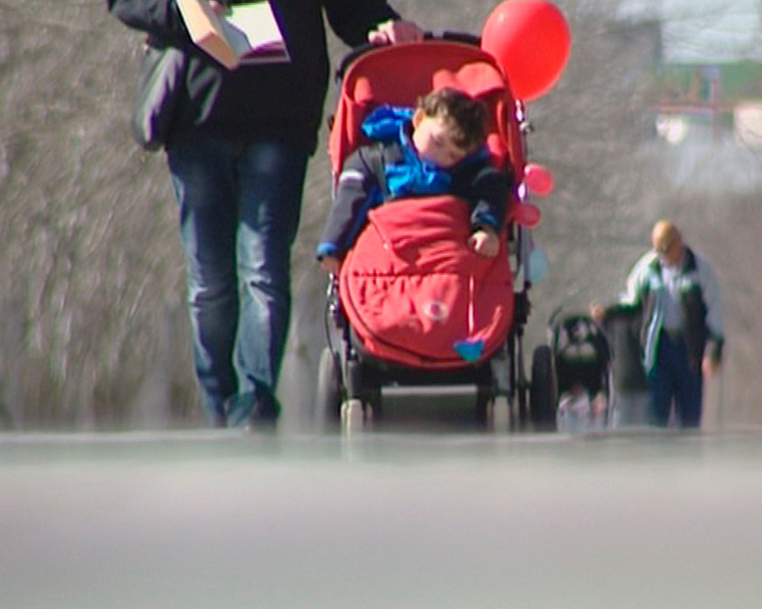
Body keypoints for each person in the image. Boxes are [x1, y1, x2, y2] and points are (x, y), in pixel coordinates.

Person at [108, 0, 422, 430]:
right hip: (197, 116)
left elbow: (352, 7)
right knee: (209, 280)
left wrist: (385, 25)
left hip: (281, 119)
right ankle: (218, 404)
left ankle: (254, 403)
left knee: (263, 269)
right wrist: (184, 10)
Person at [316, 87, 511, 274]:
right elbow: (350, 200)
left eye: (453, 155)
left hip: (445, 255)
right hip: (386, 253)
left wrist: (486, 228)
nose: (440, 155)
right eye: (437, 142)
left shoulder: (470, 172)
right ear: (418, 119)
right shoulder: (376, 159)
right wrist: (333, 246)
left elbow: (490, 195)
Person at [592, 220, 725, 428]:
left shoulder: (700, 270)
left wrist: (715, 350)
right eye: (659, 249)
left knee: (689, 417)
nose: (663, 254)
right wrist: (608, 312)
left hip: (688, 349)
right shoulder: (648, 267)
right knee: (655, 416)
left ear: (679, 241)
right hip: (658, 348)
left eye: (667, 248)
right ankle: (657, 456)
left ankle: (688, 457)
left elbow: (715, 311)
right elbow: (631, 301)